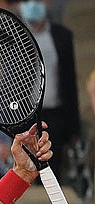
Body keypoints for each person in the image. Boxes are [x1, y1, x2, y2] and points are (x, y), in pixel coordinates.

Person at [18, 0, 80, 179]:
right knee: (27, 172)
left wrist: (73, 127)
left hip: (56, 116)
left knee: (52, 172)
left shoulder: (63, 36)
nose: (33, 4)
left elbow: (70, 81)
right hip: (25, 115)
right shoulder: (15, 34)